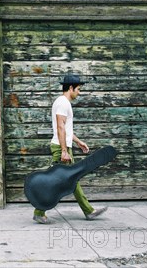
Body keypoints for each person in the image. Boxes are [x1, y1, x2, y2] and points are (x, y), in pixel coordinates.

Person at [33, 74, 108, 224]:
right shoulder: (62, 103)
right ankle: (39, 211)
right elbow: (60, 127)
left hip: (64, 145)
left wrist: (78, 142)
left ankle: (88, 210)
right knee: (57, 181)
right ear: (71, 88)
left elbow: (66, 129)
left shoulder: (64, 102)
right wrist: (64, 151)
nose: (79, 93)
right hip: (61, 147)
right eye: (78, 89)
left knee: (71, 180)